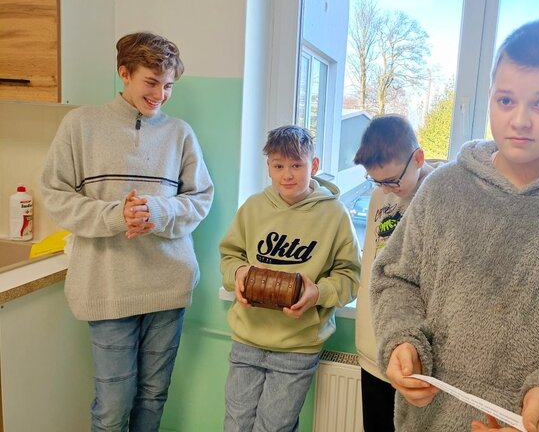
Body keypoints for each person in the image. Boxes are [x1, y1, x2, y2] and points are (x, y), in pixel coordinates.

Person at [370, 20, 539, 432]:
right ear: (490, 97)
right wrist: (401, 339)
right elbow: (396, 280)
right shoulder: (442, 190)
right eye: (505, 100)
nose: (520, 120)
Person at [41, 32, 214, 431]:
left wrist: (159, 211)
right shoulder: (80, 125)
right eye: (151, 82)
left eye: (168, 86)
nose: (160, 95)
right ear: (124, 73)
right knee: (112, 407)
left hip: (168, 285)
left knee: (153, 397)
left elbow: (201, 199)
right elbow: (55, 195)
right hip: (107, 287)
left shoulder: (180, 133)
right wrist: (117, 215)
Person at [219, 125, 361, 432]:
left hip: (298, 347)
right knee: (236, 425)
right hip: (247, 339)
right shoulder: (253, 207)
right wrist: (238, 274)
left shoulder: (335, 216)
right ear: (268, 166)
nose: (287, 175)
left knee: (274, 427)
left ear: (314, 165)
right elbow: (230, 256)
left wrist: (317, 293)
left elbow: (351, 277)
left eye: (297, 165)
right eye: (278, 166)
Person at [352, 114, 443, 431]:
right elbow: (372, 266)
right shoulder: (380, 195)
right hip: (373, 351)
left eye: (392, 180)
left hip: (416, 356)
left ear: (418, 158)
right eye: (376, 181)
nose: (386, 189)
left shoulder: (443, 197)